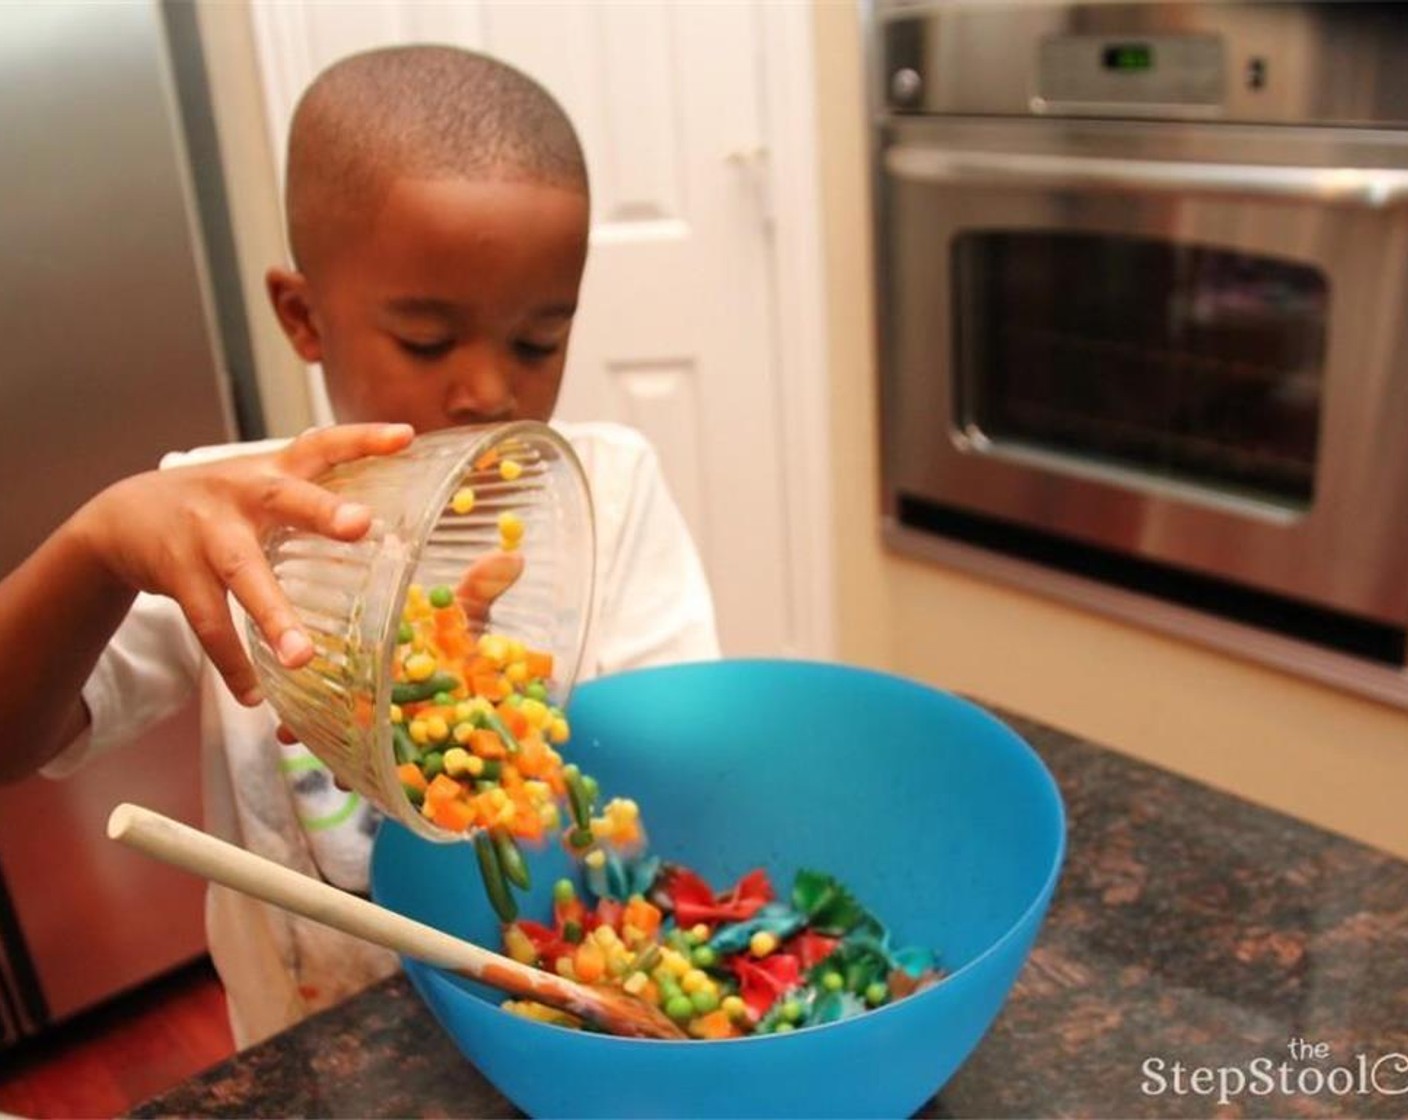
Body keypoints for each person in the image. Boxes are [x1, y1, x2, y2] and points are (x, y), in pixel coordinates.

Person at [0, 45, 718, 1046]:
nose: (488, 392)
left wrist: (474, 694)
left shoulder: (613, 482)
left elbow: (663, 774)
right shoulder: (227, 521)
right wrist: (98, 543)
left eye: (537, 340)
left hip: (554, 1023)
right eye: (427, 342)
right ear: (304, 316)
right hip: (313, 1038)